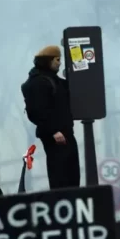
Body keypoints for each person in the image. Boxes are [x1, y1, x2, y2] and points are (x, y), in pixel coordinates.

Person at [21, 45, 80, 189]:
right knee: (61, 176)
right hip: (56, 135)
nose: (60, 63)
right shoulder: (39, 82)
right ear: (48, 61)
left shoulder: (51, 79)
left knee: (72, 174)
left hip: (64, 132)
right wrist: (54, 130)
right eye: (57, 60)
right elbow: (37, 111)